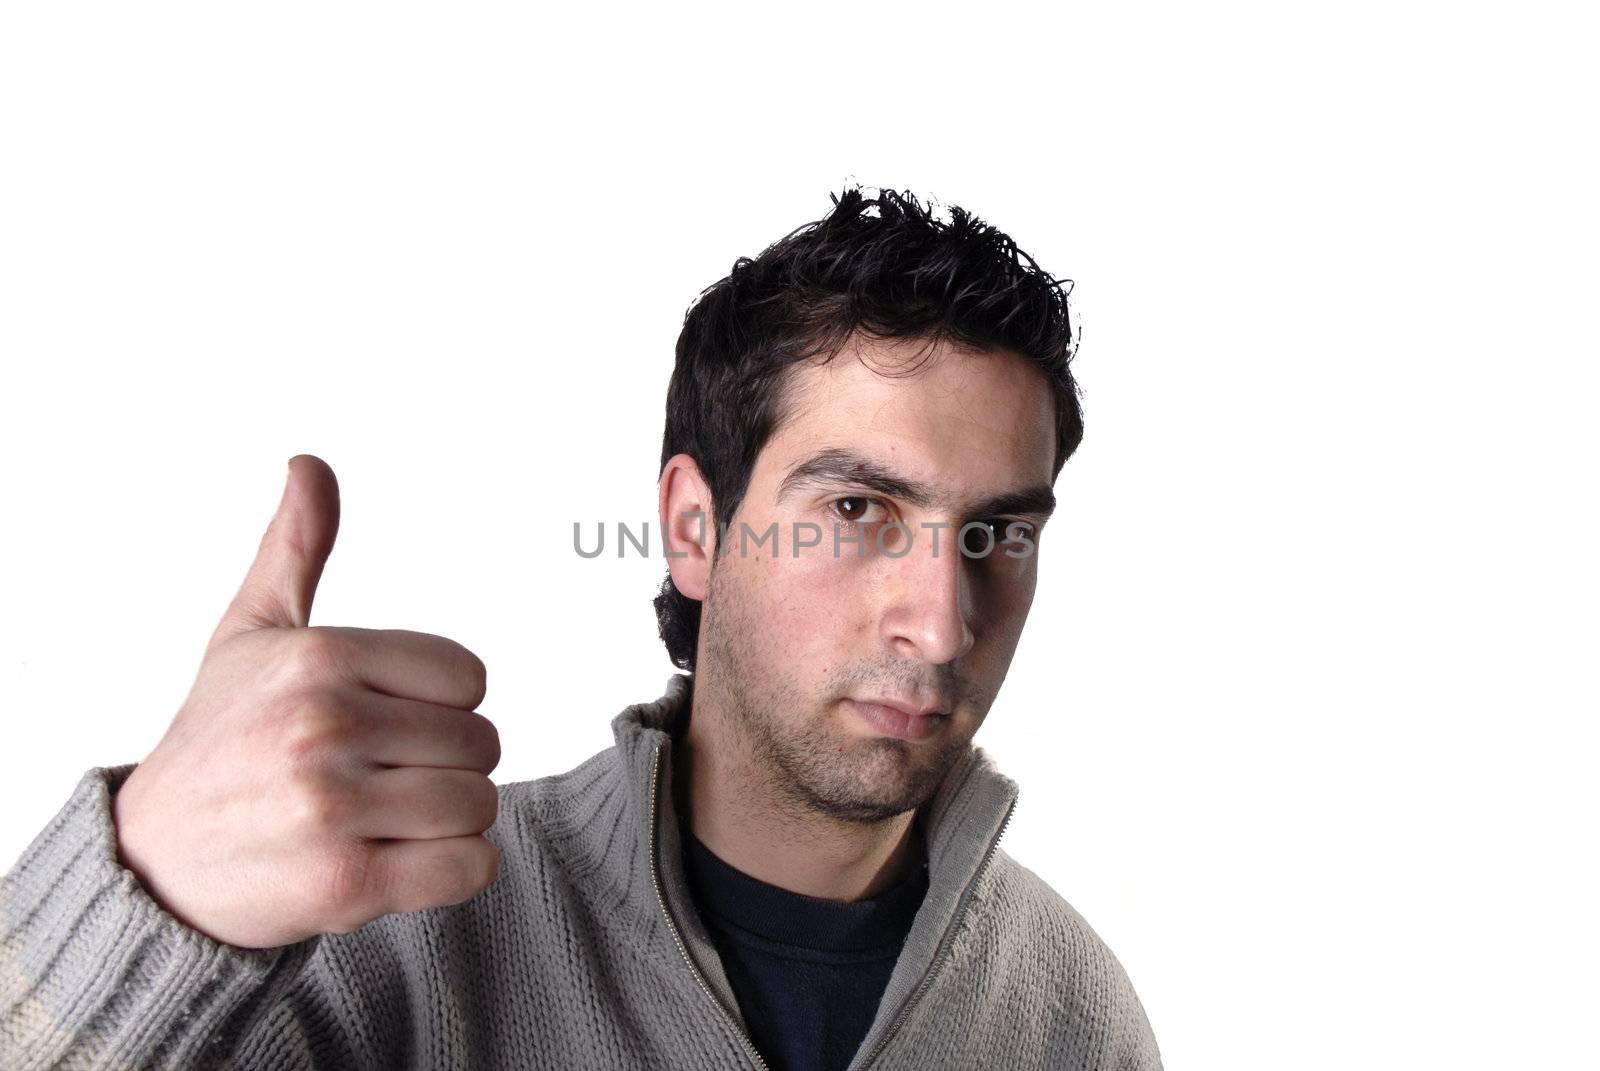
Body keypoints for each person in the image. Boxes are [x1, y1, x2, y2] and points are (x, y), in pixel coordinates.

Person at [0, 188, 1163, 1070]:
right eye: (856, 510)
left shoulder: (1072, 1014)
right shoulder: (393, 935)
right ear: (694, 530)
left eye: (997, 533)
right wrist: (146, 904)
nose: (939, 622)